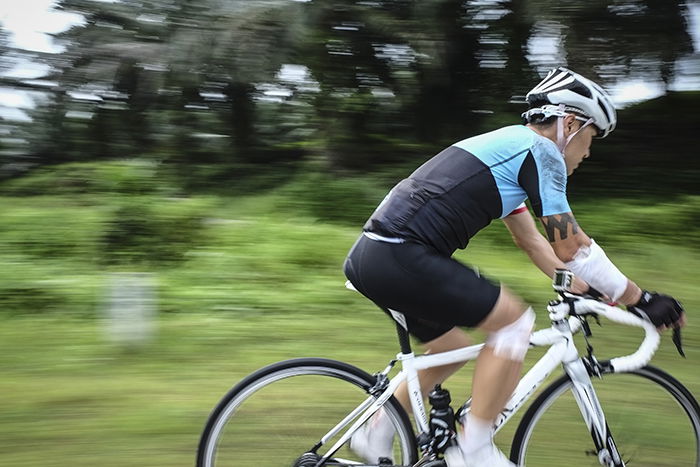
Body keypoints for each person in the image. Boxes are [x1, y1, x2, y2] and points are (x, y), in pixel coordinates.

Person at [342, 67, 686, 467]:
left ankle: (378, 431)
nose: (588, 153)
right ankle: (471, 449)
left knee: (450, 348)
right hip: (400, 254)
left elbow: (533, 242)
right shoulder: (540, 152)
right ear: (571, 124)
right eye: (591, 139)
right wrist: (639, 298)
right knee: (514, 324)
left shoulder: (510, 152)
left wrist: (577, 286)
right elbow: (571, 243)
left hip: (375, 256)